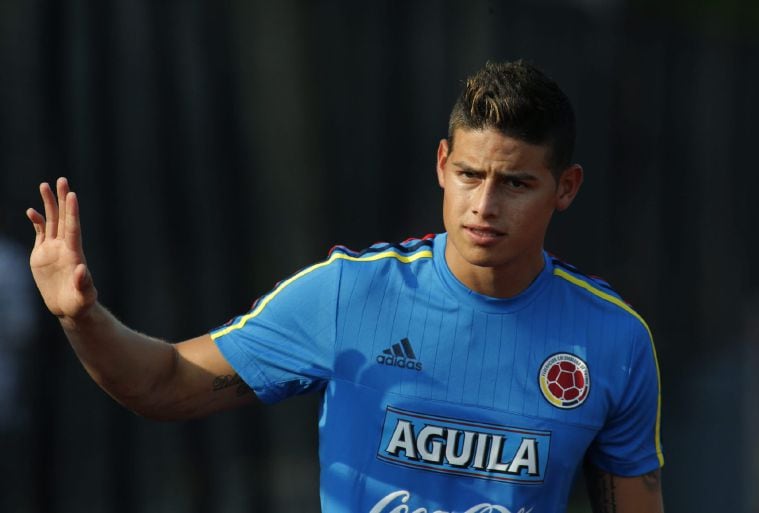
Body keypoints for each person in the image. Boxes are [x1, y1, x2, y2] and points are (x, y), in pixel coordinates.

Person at [27, 60, 664, 513]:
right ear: (443, 165)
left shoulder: (613, 340)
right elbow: (162, 384)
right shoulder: (349, 295)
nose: (484, 205)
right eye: (470, 175)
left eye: (517, 184)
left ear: (568, 187)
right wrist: (82, 319)